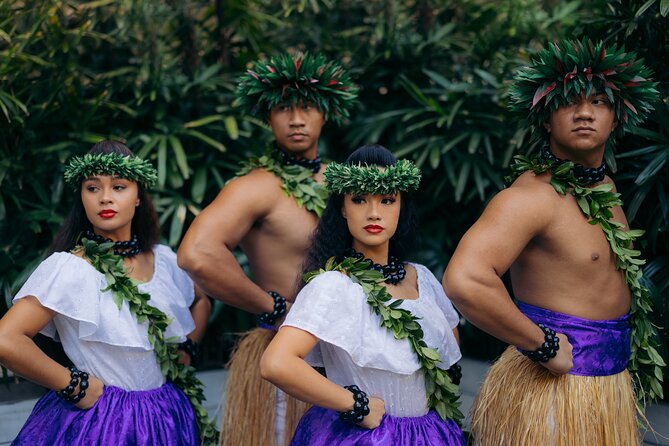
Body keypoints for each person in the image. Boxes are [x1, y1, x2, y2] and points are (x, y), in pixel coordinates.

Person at [442, 38, 664, 445]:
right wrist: (541, 345)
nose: (584, 112)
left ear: (616, 118)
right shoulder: (530, 199)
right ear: (546, 119)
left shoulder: (604, 188)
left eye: (598, 102)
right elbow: (465, 280)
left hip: (603, 390)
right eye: (568, 103)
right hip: (549, 398)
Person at [177, 51, 358, 446]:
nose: (296, 118)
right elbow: (196, 253)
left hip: (351, 350)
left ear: (325, 113)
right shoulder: (255, 187)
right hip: (285, 353)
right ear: (267, 117)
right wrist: (272, 306)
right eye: (283, 109)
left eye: (307, 107)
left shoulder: (349, 186)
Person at [0, 140, 216, 445]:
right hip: (100, 422)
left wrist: (186, 352)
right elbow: (5, 339)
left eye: (118, 187)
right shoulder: (69, 269)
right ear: (82, 197)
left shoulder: (165, 260)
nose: (105, 198)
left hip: (167, 417)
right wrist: (74, 385)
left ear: (138, 196)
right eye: (92, 187)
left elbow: (202, 299)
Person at [260, 144, 466, 445]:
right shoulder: (332, 286)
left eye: (387, 200)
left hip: (430, 434)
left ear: (401, 206)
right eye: (359, 200)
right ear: (343, 207)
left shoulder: (423, 278)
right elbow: (276, 363)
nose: (373, 213)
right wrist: (356, 404)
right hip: (363, 437)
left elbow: (450, 351)